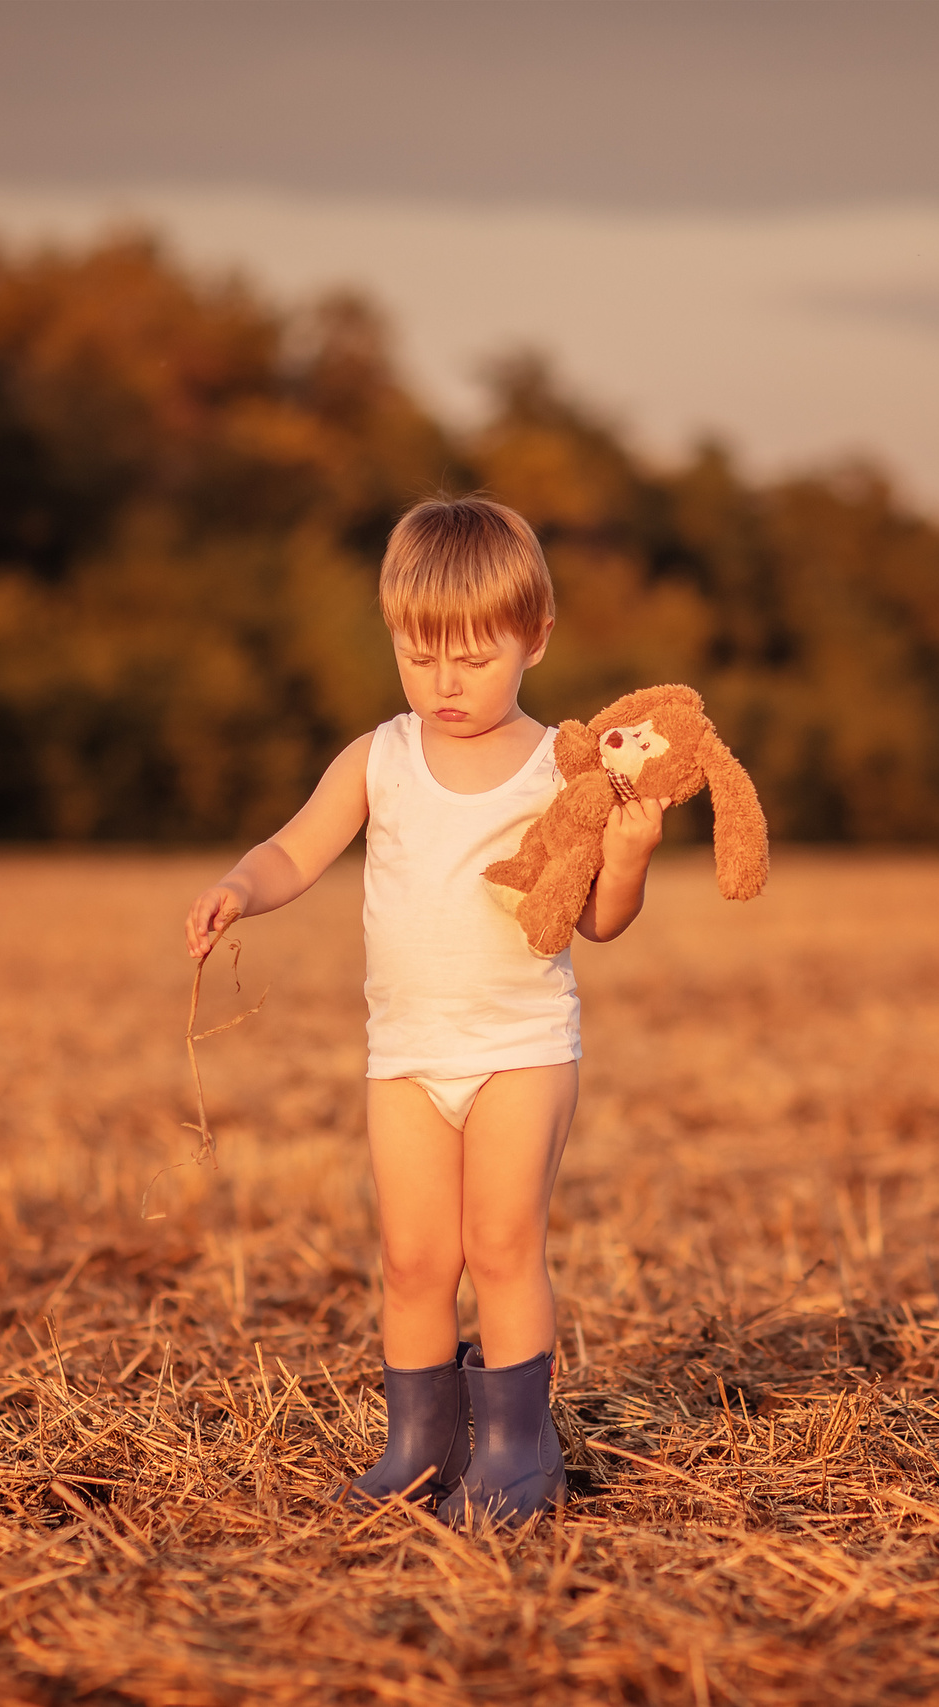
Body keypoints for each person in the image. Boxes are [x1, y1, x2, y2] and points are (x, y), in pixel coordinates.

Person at [181, 495, 666, 1524]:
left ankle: (517, 1450)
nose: (445, 682)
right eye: (419, 652)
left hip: (519, 1048)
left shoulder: (557, 769)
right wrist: (238, 887)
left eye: (474, 657)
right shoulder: (379, 759)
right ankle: (422, 1441)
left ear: (535, 638)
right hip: (403, 1055)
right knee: (412, 1259)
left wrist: (627, 861)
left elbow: (598, 922)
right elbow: (294, 849)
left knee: (500, 1247)